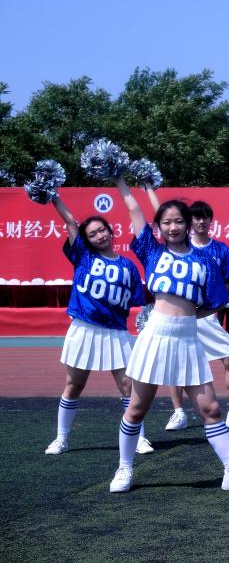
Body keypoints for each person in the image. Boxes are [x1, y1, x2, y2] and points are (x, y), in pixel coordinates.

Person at [109, 176, 229, 492]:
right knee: (137, 408)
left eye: (178, 221)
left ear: (188, 225)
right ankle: (124, 469)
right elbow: (133, 210)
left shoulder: (204, 260)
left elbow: (216, 300)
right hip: (155, 335)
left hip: (188, 338)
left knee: (211, 409)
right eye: (166, 222)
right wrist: (119, 179)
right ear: (158, 227)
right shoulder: (151, 251)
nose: (173, 227)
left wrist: (189, 317)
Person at [42, 193, 151, 456]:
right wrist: (53, 195)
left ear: (111, 231)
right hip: (84, 328)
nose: (99, 235)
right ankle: (61, 438)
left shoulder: (129, 267)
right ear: (86, 240)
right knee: (74, 385)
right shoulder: (83, 256)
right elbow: (70, 221)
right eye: (92, 234)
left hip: (116, 333)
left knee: (128, 386)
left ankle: (139, 438)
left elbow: (135, 303)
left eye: (102, 230)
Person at [164, 200, 229, 432]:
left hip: (207, 314)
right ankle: (178, 413)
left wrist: (210, 297)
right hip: (181, 313)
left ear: (211, 220)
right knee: (176, 364)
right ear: (190, 221)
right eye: (197, 217)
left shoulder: (221, 249)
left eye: (205, 217)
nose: (201, 221)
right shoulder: (179, 247)